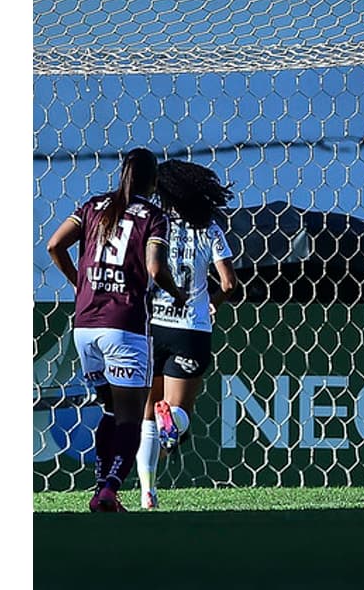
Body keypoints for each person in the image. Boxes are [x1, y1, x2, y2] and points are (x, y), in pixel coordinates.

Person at [46, 148, 187, 513]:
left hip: (85, 327)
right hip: (124, 326)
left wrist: (80, 284)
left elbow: (54, 245)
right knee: (131, 414)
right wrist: (177, 293)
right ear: (153, 181)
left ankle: (99, 486)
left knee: (109, 410)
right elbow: (155, 269)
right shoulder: (154, 217)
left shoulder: (94, 207)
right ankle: (109, 489)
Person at [136, 160, 240, 510]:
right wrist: (214, 302)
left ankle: (146, 493)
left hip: (152, 326)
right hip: (191, 329)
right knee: (179, 415)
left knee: (147, 412)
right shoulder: (210, 229)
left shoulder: (155, 225)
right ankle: (174, 418)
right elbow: (229, 283)